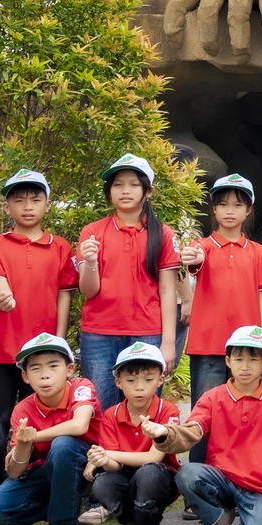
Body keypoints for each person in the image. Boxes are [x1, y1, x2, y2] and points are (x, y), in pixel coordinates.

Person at [0, 169, 77, 489]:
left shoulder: (61, 247)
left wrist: (60, 340)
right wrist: (1, 289)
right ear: (7, 207)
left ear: (47, 204)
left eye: (35, 199)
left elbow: (65, 293)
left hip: (42, 352)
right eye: (18, 200)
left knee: (38, 416)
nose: (27, 206)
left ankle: (37, 479)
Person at [162, 326, 262, 525]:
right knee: (188, 474)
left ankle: (253, 518)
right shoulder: (213, 397)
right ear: (227, 360)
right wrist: (163, 434)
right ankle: (219, 522)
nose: (244, 366)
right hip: (220, 480)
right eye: (238, 359)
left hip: (257, 487)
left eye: (253, 359)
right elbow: (193, 430)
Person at [75, 154, 182, 407]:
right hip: (99, 333)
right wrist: (90, 262)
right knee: (99, 408)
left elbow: (168, 291)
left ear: (148, 191)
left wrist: (168, 344)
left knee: (144, 409)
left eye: (134, 184)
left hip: (147, 334)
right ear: (109, 191)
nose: (125, 191)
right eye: (118, 184)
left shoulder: (163, 234)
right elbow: (88, 291)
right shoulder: (92, 232)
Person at [0, 333, 98, 525]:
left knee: (63, 444)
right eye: (35, 369)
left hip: (91, 465)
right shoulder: (23, 410)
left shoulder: (80, 387)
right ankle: (62, 508)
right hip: (50, 470)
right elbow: (15, 472)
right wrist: (23, 444)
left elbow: (79, 425)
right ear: (25, 376)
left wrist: (34, 436)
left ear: (69, 369)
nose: (45, 375)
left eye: (53, 366)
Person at [180, 173, 262, 406]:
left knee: (244, 411)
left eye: (237, 204)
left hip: (247, 347)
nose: (230, 211)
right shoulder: (201, 246)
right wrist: (192, 257)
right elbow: (192, 260)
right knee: (204, 414)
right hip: (208, 346)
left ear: (248, 210)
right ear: (214, 210)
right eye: (222, 204)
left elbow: (260, 298)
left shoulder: (259, 253)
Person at [82, 342, 183, 525]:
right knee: (102, 483)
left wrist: (106, 452)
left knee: (148, 473)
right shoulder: (111, 415)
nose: (139, 387)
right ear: (118, 382)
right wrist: (101, 459)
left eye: (148, 379)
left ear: (160, 380)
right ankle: (130, 521)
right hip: (125, 477)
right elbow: (114, 466)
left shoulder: (168, 410)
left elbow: (153, 458)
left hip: (159, 478)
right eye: (130, 380)